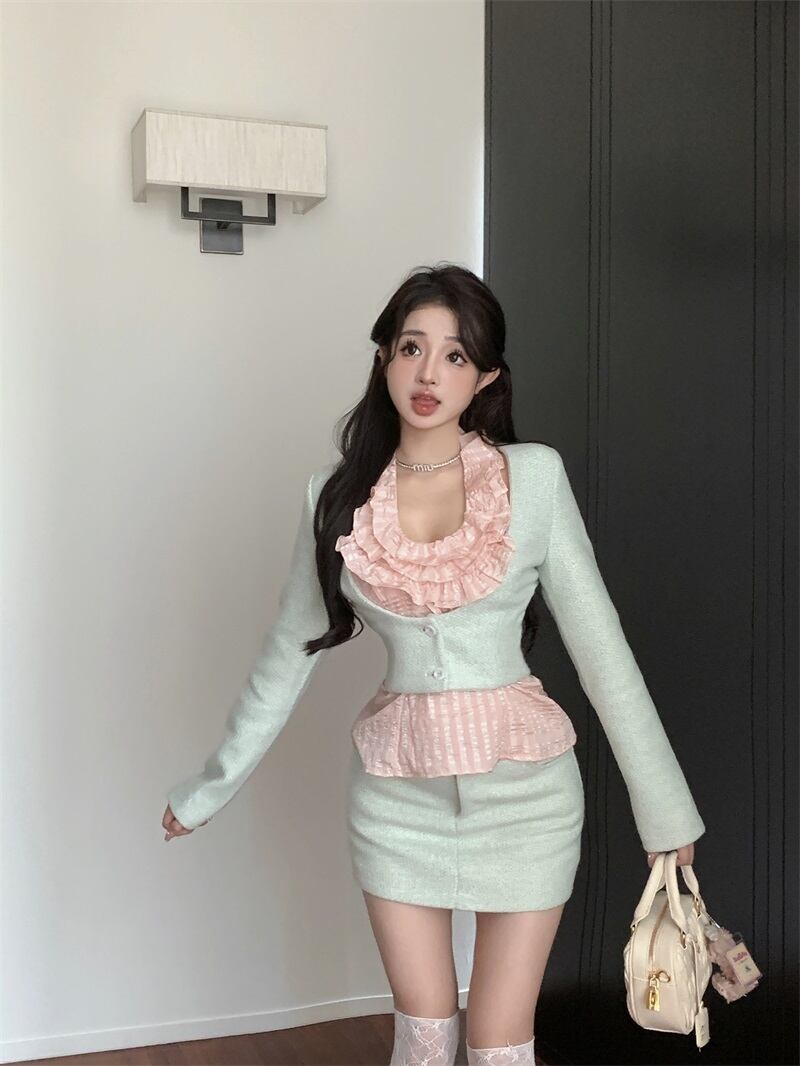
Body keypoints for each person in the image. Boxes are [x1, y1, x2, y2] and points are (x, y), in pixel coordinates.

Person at [162, 264, 705, 1066]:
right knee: (421, 1039)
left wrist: (666, 813)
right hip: (396, 801)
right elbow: (285, 656)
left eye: (456, 356)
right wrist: (209, 788)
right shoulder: (335, 499)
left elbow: (603, 651)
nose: (428, 374)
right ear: (384, 357)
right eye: (412, 348)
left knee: (500, 1043)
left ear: (485, 377)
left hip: (527, 799)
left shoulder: (533, 478)